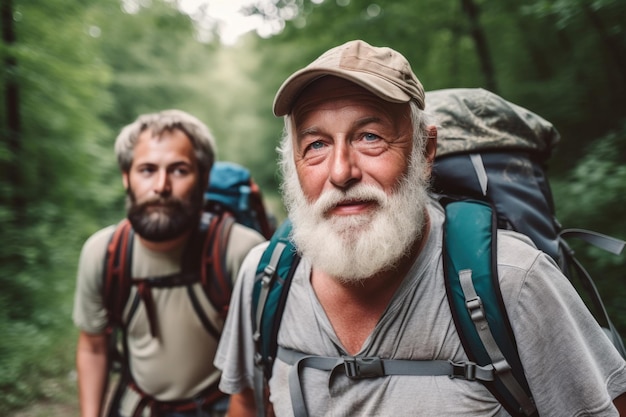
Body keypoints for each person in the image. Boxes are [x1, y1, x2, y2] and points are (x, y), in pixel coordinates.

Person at [214, 40, 626, 416]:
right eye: (316, 144)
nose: (341, 172)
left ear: (424, 151)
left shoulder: (515, 282)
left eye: (369, 136)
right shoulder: (264, 278)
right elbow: (246, 402)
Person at [73, 109, 266, 417]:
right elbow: (93, 346)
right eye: (147, 170)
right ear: (127, 177)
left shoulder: (240, 252)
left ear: (203, 179)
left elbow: (261, 367)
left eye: (178, 170)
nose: (161, 186)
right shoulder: (104, 253)